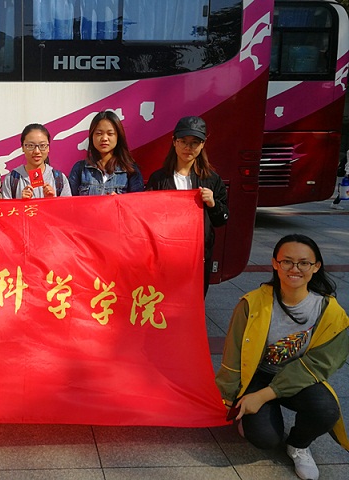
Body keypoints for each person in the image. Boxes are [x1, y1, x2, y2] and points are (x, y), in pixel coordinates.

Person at [215, 234, 349, 480]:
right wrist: (227, 399)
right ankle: (253, 416)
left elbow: (318, 365)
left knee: (326, 410)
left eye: (304, 263)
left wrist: (264, 396)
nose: (294, 269)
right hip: (257, 376)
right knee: (265, 439)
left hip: (298, 378)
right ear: (275, 263)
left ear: (316, 266)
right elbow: (233, 356)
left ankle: (298, 445)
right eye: (287, 261)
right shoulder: (252, 304)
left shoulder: (330, 312)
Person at [146, 116, 228, 296]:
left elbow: (222, 219)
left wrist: (213, 203)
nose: (188, 147)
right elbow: (146, 214)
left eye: (194, 143)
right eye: (183, 141)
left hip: (198, 256)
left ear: (203, 145)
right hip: (166, 255)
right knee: (165, 299)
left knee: (194, 300)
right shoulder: (159, 179)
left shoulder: (211, 180)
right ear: (174, 142)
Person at [68, 110, 144, 195]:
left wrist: (119, 200)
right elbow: (70, 201)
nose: (104, 138)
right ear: (92, 136)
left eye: (110, 134)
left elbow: (137, 201)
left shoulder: (130, 170)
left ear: (118, 137)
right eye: (99, 133)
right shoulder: (80, 169)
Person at [2, 123, 72, 199]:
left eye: (42, 145)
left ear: (48, 147)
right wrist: (21, 202)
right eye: (31, 146)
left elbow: (68, 206)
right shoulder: (11, 179)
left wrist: (52, 200)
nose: (37, 151)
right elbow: (6, 206)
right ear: (23, 147)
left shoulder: (59, 179)